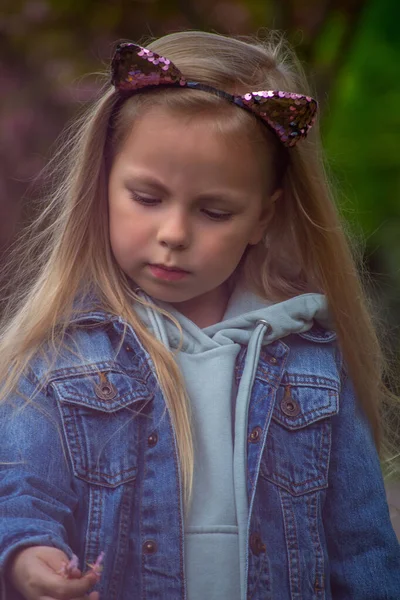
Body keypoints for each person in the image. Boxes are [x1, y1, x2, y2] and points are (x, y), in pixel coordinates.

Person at [0, 30, 399, 600]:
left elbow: (364, 550)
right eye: (147, 197)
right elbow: (18, 497)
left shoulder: (315, 366)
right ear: (103, 185)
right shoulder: (60, 355)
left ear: (263, 218)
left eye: (215, 211)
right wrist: (28, 558)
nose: (174, 234)